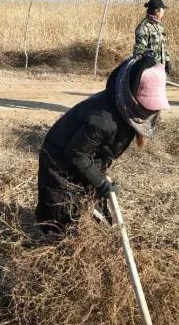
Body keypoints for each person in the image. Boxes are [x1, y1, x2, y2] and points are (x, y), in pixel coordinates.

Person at [36, 52, 170, 235]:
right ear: (133, 96)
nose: (150, 112)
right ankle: (54, 237)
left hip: (87, 155)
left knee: (88, 201)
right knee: (61, 211)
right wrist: (100, 183)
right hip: (59, 157)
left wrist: (97, 179)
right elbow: (76, 154)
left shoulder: (128, 112)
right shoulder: (102, 121)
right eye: (147, 106)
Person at [133, 0, 172, 75]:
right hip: (150, 70)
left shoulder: (159, 26)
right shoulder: (144, 27)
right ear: (157, 11)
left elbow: (163, 46)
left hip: (161, 68)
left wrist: (167, 61)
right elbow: (139, 50)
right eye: (162, 9)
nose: (163, 11)